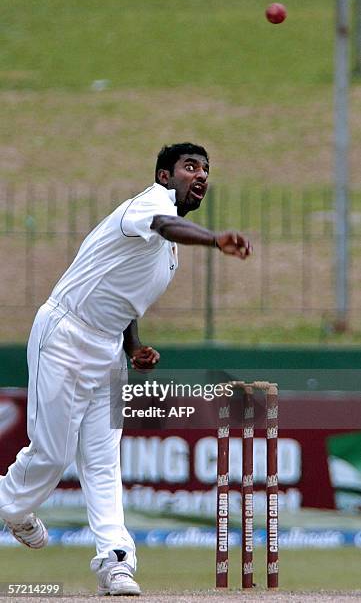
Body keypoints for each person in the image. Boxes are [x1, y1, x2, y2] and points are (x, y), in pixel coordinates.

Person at [0, 143, 252, 596]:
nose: (200, 176)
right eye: (189, 167)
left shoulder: (170, 250)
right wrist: (214, 239)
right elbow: (163, 224)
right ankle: (12, 504)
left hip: (108, 351)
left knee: (101, 460)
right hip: (64, 334)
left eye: (206, 170)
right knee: (53, 455)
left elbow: (123, 294)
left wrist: (133, 346)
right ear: (163, 176)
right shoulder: (151, 205)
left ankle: (115, 560)